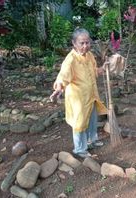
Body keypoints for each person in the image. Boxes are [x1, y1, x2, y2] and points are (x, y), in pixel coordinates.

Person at [50, 28, 108, 158]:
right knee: (80, 122)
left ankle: (92, 141)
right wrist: (58, 87)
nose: (85, 46)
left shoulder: (90, 55)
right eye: (82, 43)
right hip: (78, 98)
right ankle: (80, 149)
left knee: (92, 119)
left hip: (91, 95)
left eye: (87, 42)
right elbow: (63, 75)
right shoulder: (70, 59)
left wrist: (103, 68)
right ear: (74, 43)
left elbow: (94, 71)